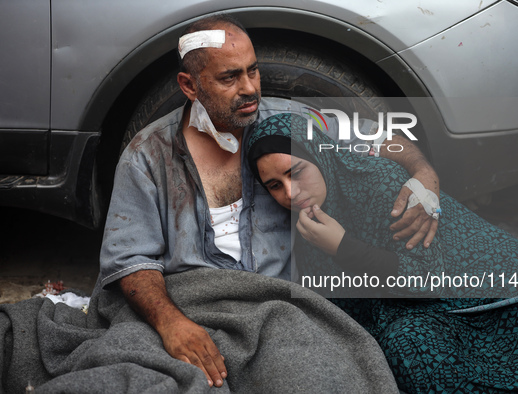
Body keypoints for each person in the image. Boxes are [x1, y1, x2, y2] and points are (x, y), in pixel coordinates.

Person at [99, 14, 440, 388]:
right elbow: (131, 259)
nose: (249, 89)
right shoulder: (147, 155)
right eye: (229, 77)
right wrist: (172, 324)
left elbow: (382, 140)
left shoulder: (292, 124)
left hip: (281, 311)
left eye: (253, 71)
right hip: (189, 306)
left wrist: (425, 176)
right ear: (189, 85)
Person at [246, 112, 518, 393]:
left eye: (297, 172)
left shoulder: (380, 184)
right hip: (426, 311)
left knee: (408, 343)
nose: (290, 192)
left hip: (499, 302)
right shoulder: (310, 217)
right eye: (275, 185)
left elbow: (423, 281)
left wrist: (342, 247)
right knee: (405, 343)